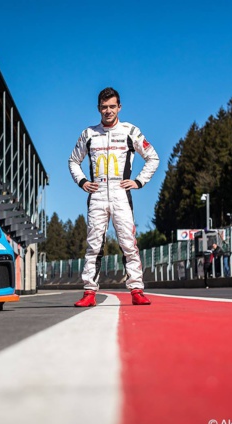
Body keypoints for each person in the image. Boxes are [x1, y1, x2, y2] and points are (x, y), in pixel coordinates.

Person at [68, 87, 159, 306]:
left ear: (119, 107)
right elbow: (73, 161)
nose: (108, 111)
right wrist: (82, 182)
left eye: (112, 106)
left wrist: (138, 181)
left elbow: (152, 157)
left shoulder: (130, 131)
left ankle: (136, 290)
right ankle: (89, 292)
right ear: (98, 108)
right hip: (97, 195)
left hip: (121, 195)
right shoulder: (88, 133)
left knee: (129, 243)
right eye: (104, 107)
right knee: (94, 245)